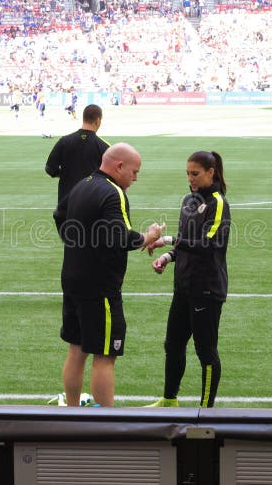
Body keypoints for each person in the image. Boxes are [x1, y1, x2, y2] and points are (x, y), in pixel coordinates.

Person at [53, 143, 164, 406]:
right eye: (135, 172)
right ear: (119, 166)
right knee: (104, 355)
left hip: (72, 277)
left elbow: (59, 214)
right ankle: (106, 421)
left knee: (77, 349)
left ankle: (71, 413)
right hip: (99, 286)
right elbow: (121, 238)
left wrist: (77, 243)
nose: (136, 178)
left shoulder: (82, 183)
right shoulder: (113, 193)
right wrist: (149, 236)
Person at [146, 151, 231, 408]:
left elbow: (208, 244)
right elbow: (186, 242)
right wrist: (168, 257)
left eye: (195, 173)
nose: (190, 178)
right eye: (187, 173)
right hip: (183, 286)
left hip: (206, 289)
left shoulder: (218, 203)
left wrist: (169, 240)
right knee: (172, 345)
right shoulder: (187, 200)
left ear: (210, 172)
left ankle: (206, 410)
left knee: (205, 352)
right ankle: (169, 400)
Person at [45, 104, 110, 205]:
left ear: (83, 119)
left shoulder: (64, 141)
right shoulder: (104, 147)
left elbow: (49, 169)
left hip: (66, 204)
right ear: (98, 120)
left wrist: (65, 174)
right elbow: (110, 177)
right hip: (91, 202)